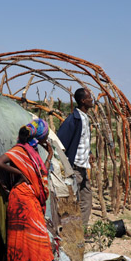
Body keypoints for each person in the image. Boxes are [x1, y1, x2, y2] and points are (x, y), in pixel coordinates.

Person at [0, 119, 62, 261]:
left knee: (34, 244)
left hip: (30, 199)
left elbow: (40, 177)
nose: (48, 137)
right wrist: (18, 173)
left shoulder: (34, 154)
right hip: (22, 201)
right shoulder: (20, 151)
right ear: (39, 136)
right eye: (46, 134)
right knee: (26, 245)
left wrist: (48, 157)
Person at [56, 87, 94, 227]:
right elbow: (60, 144)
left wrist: (89, 153)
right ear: (83, 101)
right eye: (90, 98)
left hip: (83, 167)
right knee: (71, 201)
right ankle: (69, 231)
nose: (92, 100)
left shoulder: (85, 118)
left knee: (87, 199)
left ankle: (81, 229)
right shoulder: (73, 120)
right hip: (74, 168)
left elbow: (82, 140)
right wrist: (66, 167)